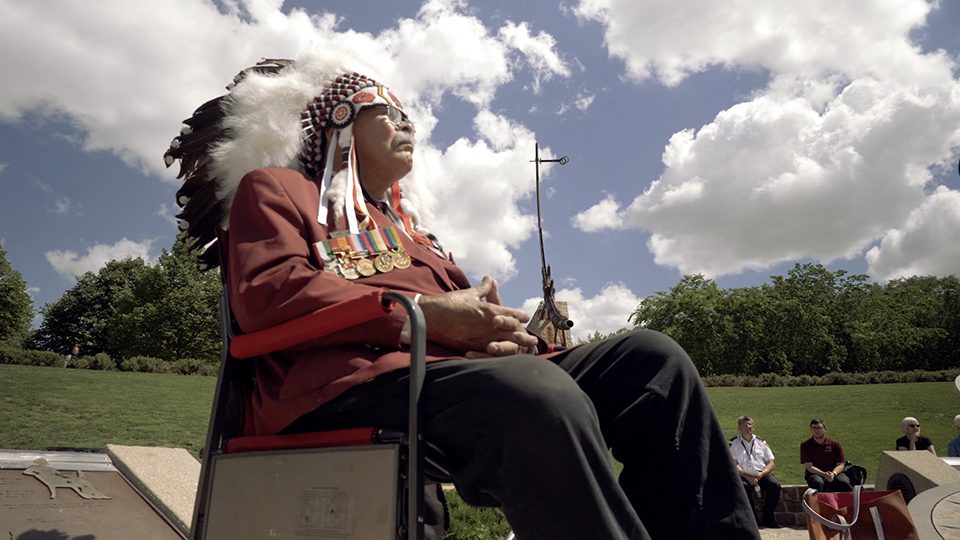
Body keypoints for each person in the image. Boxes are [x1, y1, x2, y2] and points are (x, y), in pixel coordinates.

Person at [164, 57, 759, 540]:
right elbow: (266, 294)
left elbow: (465, 323)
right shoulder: (277, 191)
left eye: (408, 116)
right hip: (345, 386)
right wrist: (423, 318)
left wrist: (502, 331)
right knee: (534, 392)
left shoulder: (411, 229)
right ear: (340, 120)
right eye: (388, 112)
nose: (407, 124)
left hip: (456, 377)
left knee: (653, 363)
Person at [729, 416, 781, 529]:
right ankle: (753, 520)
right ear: (739, 428)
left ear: (753, 427)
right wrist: (746, 476)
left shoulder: (761, 442)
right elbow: (733, 464)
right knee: (743, 488)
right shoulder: (733, 443)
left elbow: (771, 462)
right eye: (744, 425)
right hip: (743, 475)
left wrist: (762, 473)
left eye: (749, 424)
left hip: (761, 473)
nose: (747, 427)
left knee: (774, 486)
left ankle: (768, 517)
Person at [800, 418, 852, 492]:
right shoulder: (806, 445)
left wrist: (833, 474)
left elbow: (841, 464)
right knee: (818, 483)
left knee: (844, 483)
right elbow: (809, 466)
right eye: (814, 428)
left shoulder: (835, 444)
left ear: (825, 429)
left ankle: (848, 502)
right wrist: (824, 474)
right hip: (815, 474)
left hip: (834, 473)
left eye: (819, 428)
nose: (816, 430)